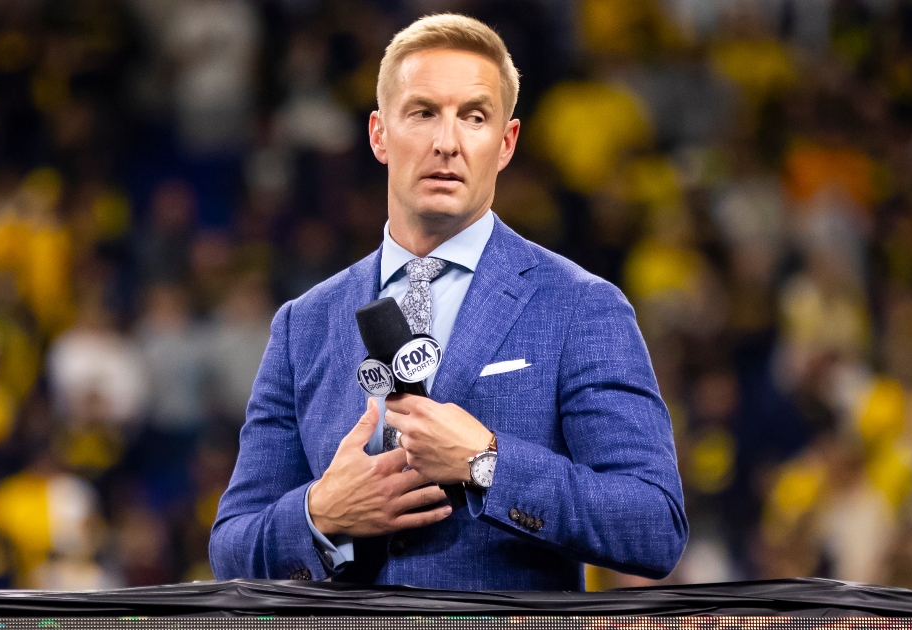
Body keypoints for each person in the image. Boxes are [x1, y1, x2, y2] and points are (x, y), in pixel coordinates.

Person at [209, 14, 687, 590]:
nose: (447, 141)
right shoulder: (303, 324)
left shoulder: (581, 307)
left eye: (474, 117)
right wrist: (319, 513)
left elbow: (654, 525)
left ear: (505, 143)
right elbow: (232, 550)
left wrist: (487, 462)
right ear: (379, 134)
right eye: (423, 112)